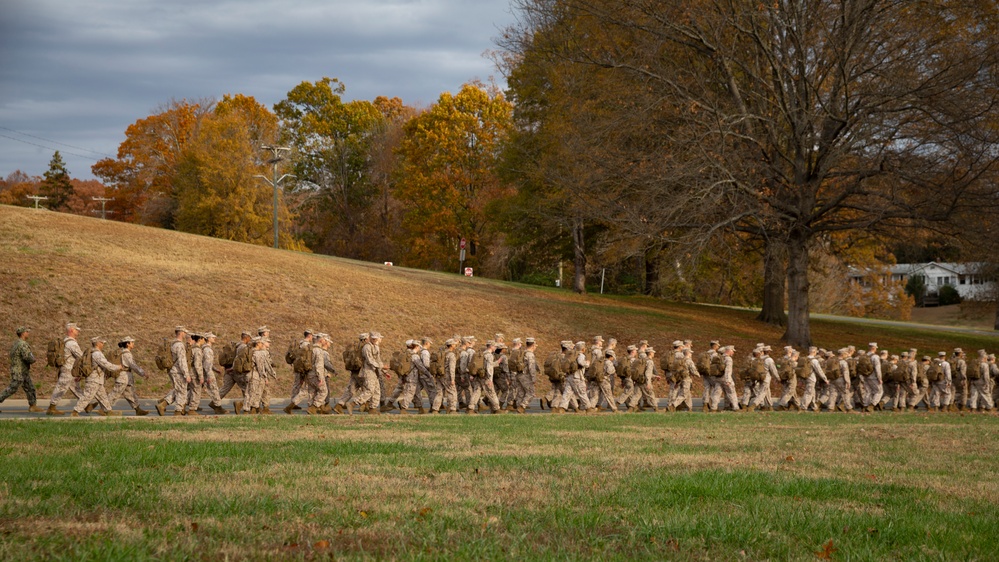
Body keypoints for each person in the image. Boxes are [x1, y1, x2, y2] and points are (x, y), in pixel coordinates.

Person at [72, 337, 122, 416]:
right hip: (94, 380)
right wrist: (118, 367)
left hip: (97, 380)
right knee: (87, 396)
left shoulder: (93, 353)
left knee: (103, 397)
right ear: (98, 343)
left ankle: (108, 411)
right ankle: (75, 411)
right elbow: (106, 365)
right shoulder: (97, 354)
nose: (103, 344)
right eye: (102, 342)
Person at [1, 327, 44, 413]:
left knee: (30, 388)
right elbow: (27, 357)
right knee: (12, 388)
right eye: (27, 332)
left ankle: (33, 406)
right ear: (23, 333)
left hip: (22, 370)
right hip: (19, 371)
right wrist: (34, 359)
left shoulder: (16, 343)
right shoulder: (23, 344)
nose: (28, 333)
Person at [105, 336, 150, 416]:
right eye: (132, 342)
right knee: (115, 393)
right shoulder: (126, 354)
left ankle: (138, 409)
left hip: (127, 377)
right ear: (128, 344)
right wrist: (143, 373)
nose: (133, 344)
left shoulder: (124, 352)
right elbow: (133, 366)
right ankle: (104, 408)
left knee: (130, 393)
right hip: (123, 376)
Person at [48, 322, 85, 415]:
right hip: (68, 369)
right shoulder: (72, 343)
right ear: (72, 330)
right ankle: (51, 407)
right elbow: (81, 356)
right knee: (61, 388)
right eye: (76, 330)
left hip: (67, 368)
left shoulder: (65, 341)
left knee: (76, 387)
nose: (78, 331)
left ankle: (86, 404)